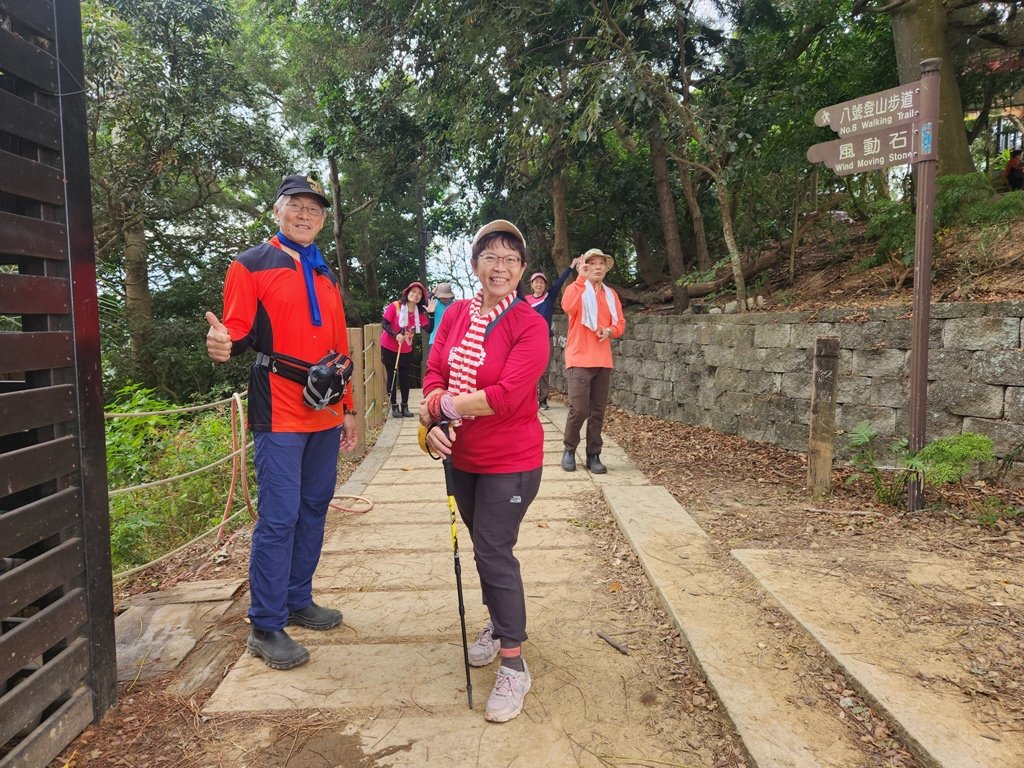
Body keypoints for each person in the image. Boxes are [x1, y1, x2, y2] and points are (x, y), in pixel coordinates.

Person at [204, 174, 358, 670]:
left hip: (325, 408)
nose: (306, 214)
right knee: (279, 513)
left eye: (315, 208)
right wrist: (222, 342)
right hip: (280, 405)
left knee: (315, 505)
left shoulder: (326, 273)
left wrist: (349, 407)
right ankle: (266, 624)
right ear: (278, 210)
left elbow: (340, 348)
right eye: (297, 205)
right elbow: (237, 329)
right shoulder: (250, 266)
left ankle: (298, 598)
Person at [419, 219, 549, 723]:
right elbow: (433, 372)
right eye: (490, 256)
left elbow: (505, 396)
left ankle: (514, 662)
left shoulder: (529, 324)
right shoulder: (453, 315)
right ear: (475, 264)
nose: (500, 266)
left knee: (494, 550)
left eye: (510, 259)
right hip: (461, 457)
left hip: (511, 460)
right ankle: (499, 622)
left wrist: (444, 409)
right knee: (483, 547)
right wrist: (431, 419)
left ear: (522, 270)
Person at [560, 247, 626, 474]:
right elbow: (567, 306)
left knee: (597, 411)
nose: (597, 267)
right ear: (584, 266)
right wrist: (580, 277)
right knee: (578, 409)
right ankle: (569, 449)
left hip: (603, 360)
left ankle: (593, 455)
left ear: (606, 268)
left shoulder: (611, 295)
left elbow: (620, 324)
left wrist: (609, 330)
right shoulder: (576, 288)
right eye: (592, 263)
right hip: (579, 358)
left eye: (601, 263)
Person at [524, 261, 577, 410]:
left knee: (544, 371)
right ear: (532, 285)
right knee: (529, 370)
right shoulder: (526, 300)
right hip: (529, 340)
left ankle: (543, 400)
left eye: (541, 282)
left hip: (546, 338)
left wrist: (571, 266)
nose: (539, 285)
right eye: (536, 282)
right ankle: (529, 399)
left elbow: (560, 282)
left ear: (545, 285)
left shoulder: (549, 297)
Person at [381, 282, 433, 418]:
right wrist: (395, 334)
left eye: (419, 293)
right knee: (392, 376)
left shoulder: (419, 313)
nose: (416, 295)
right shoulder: (395, 306)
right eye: (413, 291)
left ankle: (405, 406)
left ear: (421, 298)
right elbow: (385, 323)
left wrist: (431, 315)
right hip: (389, 346)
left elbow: (429, 329)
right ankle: (394, 406)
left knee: (405, 378)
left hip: (406, 348)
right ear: (407, 292)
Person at [427, 282, 455, 358]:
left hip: (451, 341)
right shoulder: (434, 303)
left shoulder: (455, 305)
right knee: (432, 366)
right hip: (434, 340)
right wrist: (432, 292)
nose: (445, 298)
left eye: (447, 296)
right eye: (443, 296)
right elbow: (422, 301)